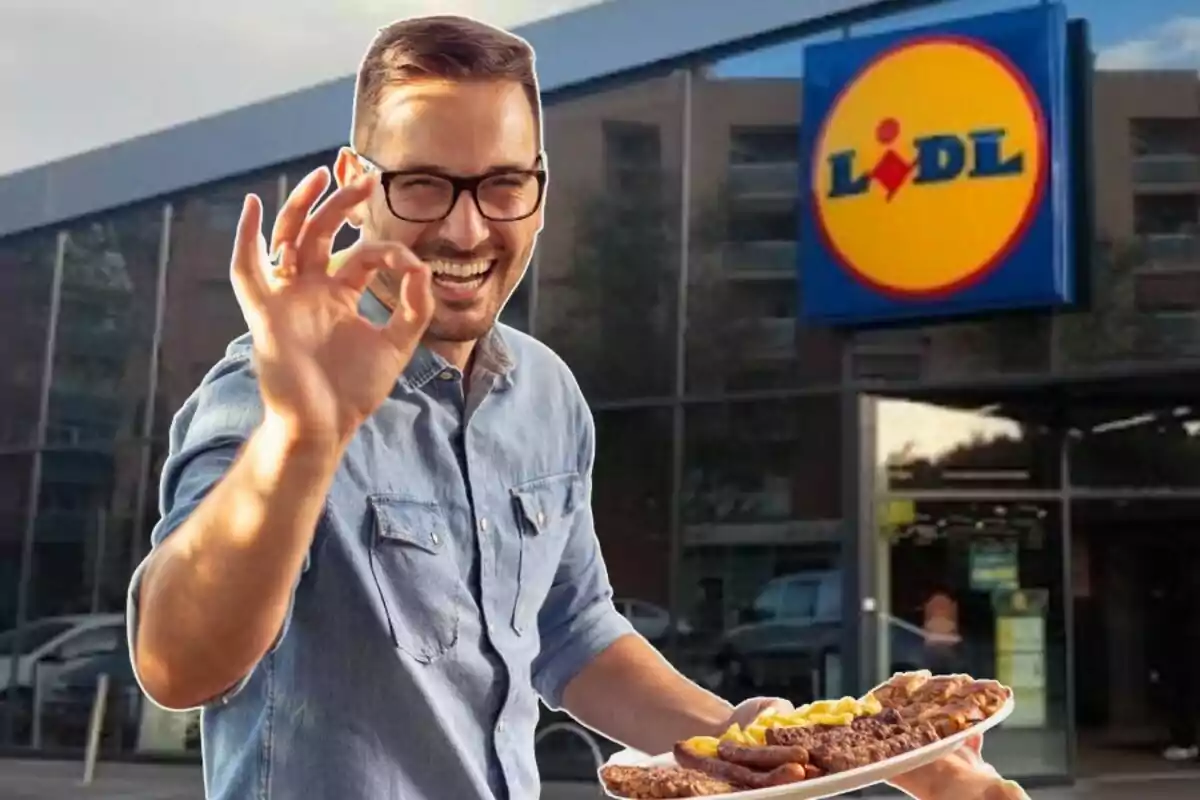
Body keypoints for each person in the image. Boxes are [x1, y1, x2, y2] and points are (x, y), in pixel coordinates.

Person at [126, 13, 1027, 800]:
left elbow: (575, 634)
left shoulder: (545, 393)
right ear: (358, 186)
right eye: (424, 182)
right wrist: (303, 436)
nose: (466, 230)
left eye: (501, 184)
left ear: (540, 191)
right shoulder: (270, 388)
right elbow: (175, 666)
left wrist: (780, 749)